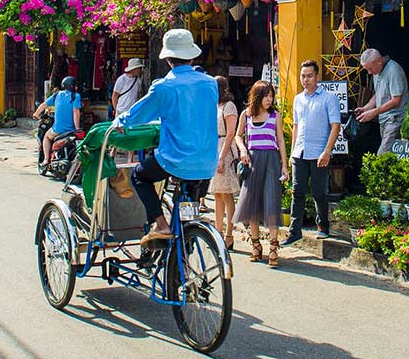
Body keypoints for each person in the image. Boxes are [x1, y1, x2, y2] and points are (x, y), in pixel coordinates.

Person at [117, 28, 218, 248]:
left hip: (176, 160)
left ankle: (160, 223)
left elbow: (139, 114)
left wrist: (121, 122)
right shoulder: (211, 83)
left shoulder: (165, 86)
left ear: (168, 59)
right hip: (207, 161)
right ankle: (186, 244)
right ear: (192, 56)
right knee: (188, 206)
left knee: (140, 176)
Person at [285, 59, 341, 244]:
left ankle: (322, 225)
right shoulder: (298, 99)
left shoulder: (328, 98)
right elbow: (296, 126)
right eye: (303, 76)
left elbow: (335, 126)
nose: (306, 79)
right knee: (297, 192)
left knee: (318, 192)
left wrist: (327, 151)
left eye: (309, 76)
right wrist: (292, 153)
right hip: (300, 152)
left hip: (319, 152)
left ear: (317, 77)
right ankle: (294, 231)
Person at [233, 80, 289, 267]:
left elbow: (280, 140)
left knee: (271, 201)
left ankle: (273, 246)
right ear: (257, 96)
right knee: (252, 203)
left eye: (271, 96)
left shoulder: (275, 115)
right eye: (266, 95)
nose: (269, 99)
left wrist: (284, 165)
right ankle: (256, 245)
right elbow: (238, 135)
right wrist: (242, 150)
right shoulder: (246, 115)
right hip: (253, 160)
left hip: (271, 160)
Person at [208, 76, 240, 251]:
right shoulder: (215, 106)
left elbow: (230, 133)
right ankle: (218, 232)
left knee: (227, 194)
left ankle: (229, 234)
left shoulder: (229, 106)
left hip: (225, 150)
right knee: (217, 193)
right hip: (214, 148)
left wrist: (222, 157)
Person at [356, 48, 408, 155]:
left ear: (379, 61)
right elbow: (378, 93)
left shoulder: (393, 71)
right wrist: (366, 108)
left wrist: (373, 112)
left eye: (369, 69)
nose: (369, 73)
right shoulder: (377, 71)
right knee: (390, 157)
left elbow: (396, 100)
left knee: (383, 155)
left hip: (395, 118)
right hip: (384, 119)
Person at [32, 75, 81, 168]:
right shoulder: (76, 96)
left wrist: (36, 114)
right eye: (75, 85)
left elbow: (43, 105)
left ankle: (46, 160)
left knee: (46, 137)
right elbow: (76, 113)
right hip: (71, 130)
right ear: (72, 86)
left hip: (58, 129)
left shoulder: (57, 95)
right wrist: (77, 128)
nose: (77, 87)